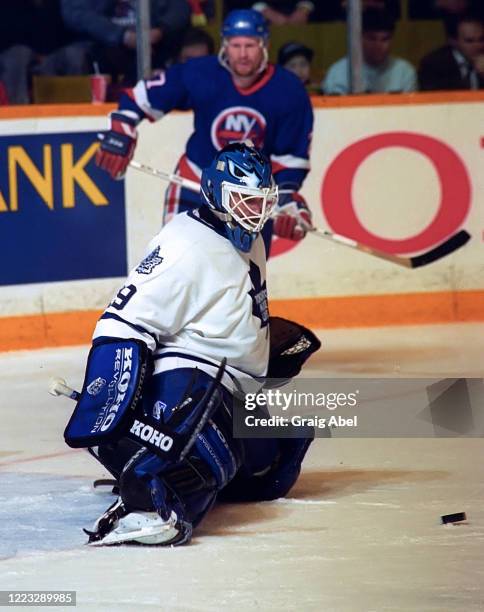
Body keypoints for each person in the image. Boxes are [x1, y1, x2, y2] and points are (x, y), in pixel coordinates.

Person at [63, 142, 320, 546]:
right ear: (217, 194)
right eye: (244, 201)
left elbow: (228, 302)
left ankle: (158, 459)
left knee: (272, 469)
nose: (255, 212)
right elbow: (123, 320)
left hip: (234, 384)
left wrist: (258, 351)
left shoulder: (248, 237)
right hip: (192, 377)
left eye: (260, 202)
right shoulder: (185, 244)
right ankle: (145, 495)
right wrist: (110, 403)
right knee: (210, 454)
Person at [95, 9, 314, 251]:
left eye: (250, 45)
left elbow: (291, 158)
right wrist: (121, 130)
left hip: (250, 196)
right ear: (225, 45)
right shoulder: (200, 73)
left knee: (242, 284)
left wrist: (286, 199)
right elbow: (140, 98)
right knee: (174, 261)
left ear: (265, 45)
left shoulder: (288, 90)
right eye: (235, 45)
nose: (242, 54)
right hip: (196, 180)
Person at [61, 0, 191, 85]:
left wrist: (161, 29)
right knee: (74, 55)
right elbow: (74, 13)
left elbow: (181, 7)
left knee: (194, 47)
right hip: (100, 42)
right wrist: (121, 35)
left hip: (155, 41)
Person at [322, 8, 417, 94]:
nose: (378, 45)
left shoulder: (404, 72)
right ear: (359, 39)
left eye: (385, 39)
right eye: (372, 39)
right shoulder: (338, 72)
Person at [418, 13, 484, 90]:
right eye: (469, 41)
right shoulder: (433, 64)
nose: (478, 46)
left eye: (481, 39)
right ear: (453, 41)